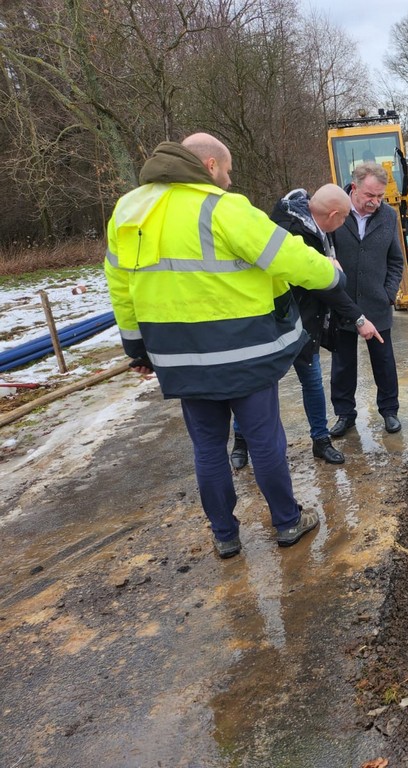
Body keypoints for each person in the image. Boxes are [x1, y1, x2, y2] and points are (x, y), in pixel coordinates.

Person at [104, 132, 352, 559]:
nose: (232, 180)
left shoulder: (130, 210)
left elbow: (120, 286)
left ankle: (224, 534)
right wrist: (332, 275)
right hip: (244, 354)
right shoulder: (222, 208)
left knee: (207, 447)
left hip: (179, 358)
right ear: (211, 166)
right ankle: (288, 522)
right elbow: (286, 254)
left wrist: (136, 349)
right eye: (229, 170)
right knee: (264, 441)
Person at [228, 184, 380, 470]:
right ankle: (241, 440)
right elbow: (324, 287)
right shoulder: (291, 231)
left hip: (305, 319)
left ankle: (320, 440)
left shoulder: (317, 227)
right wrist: (358, 316)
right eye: (343, 218)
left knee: (311, 380)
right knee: (259, 384)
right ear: (333, 214)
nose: (343, 225)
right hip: (276, 318)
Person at [327, 162, 405, 437]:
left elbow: (396, 260)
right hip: (342, 302)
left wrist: (388, 293)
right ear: (354, 187)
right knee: (343, 364)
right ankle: (345, 415)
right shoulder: (335, 211)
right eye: (370, 196)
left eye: (380, 196)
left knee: (384, 361)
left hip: (376, 302)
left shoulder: (388, 216)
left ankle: (389, 411)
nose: (375, 202)